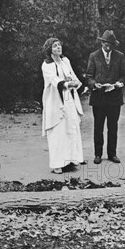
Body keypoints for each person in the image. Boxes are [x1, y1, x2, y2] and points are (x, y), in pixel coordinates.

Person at [41, 37, 84, 173]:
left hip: (69, 99)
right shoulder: (46, 65)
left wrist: (77, 83)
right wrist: (66, 84)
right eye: (54, 46)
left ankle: (71, 160)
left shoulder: (66, 61)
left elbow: (72, 75)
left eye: (59, 45)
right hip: (55, 101)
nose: (58, 48)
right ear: (49, 49)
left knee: (71, 128)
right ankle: (57, 164)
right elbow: (54, 80)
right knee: (58, 131)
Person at [85, 30, 125, 164]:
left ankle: (112, 154)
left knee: (113, 127)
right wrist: (94, 84)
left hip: (114, 97)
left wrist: (119, 84)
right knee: (98, 127)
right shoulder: (94, 56)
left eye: (110, 44)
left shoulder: (119, 56)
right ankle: (98, 154)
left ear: (113, 44)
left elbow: (124, 75)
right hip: (99, 97)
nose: (107, 47)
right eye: (105, 43)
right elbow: (89, 76)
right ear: (101, 42)